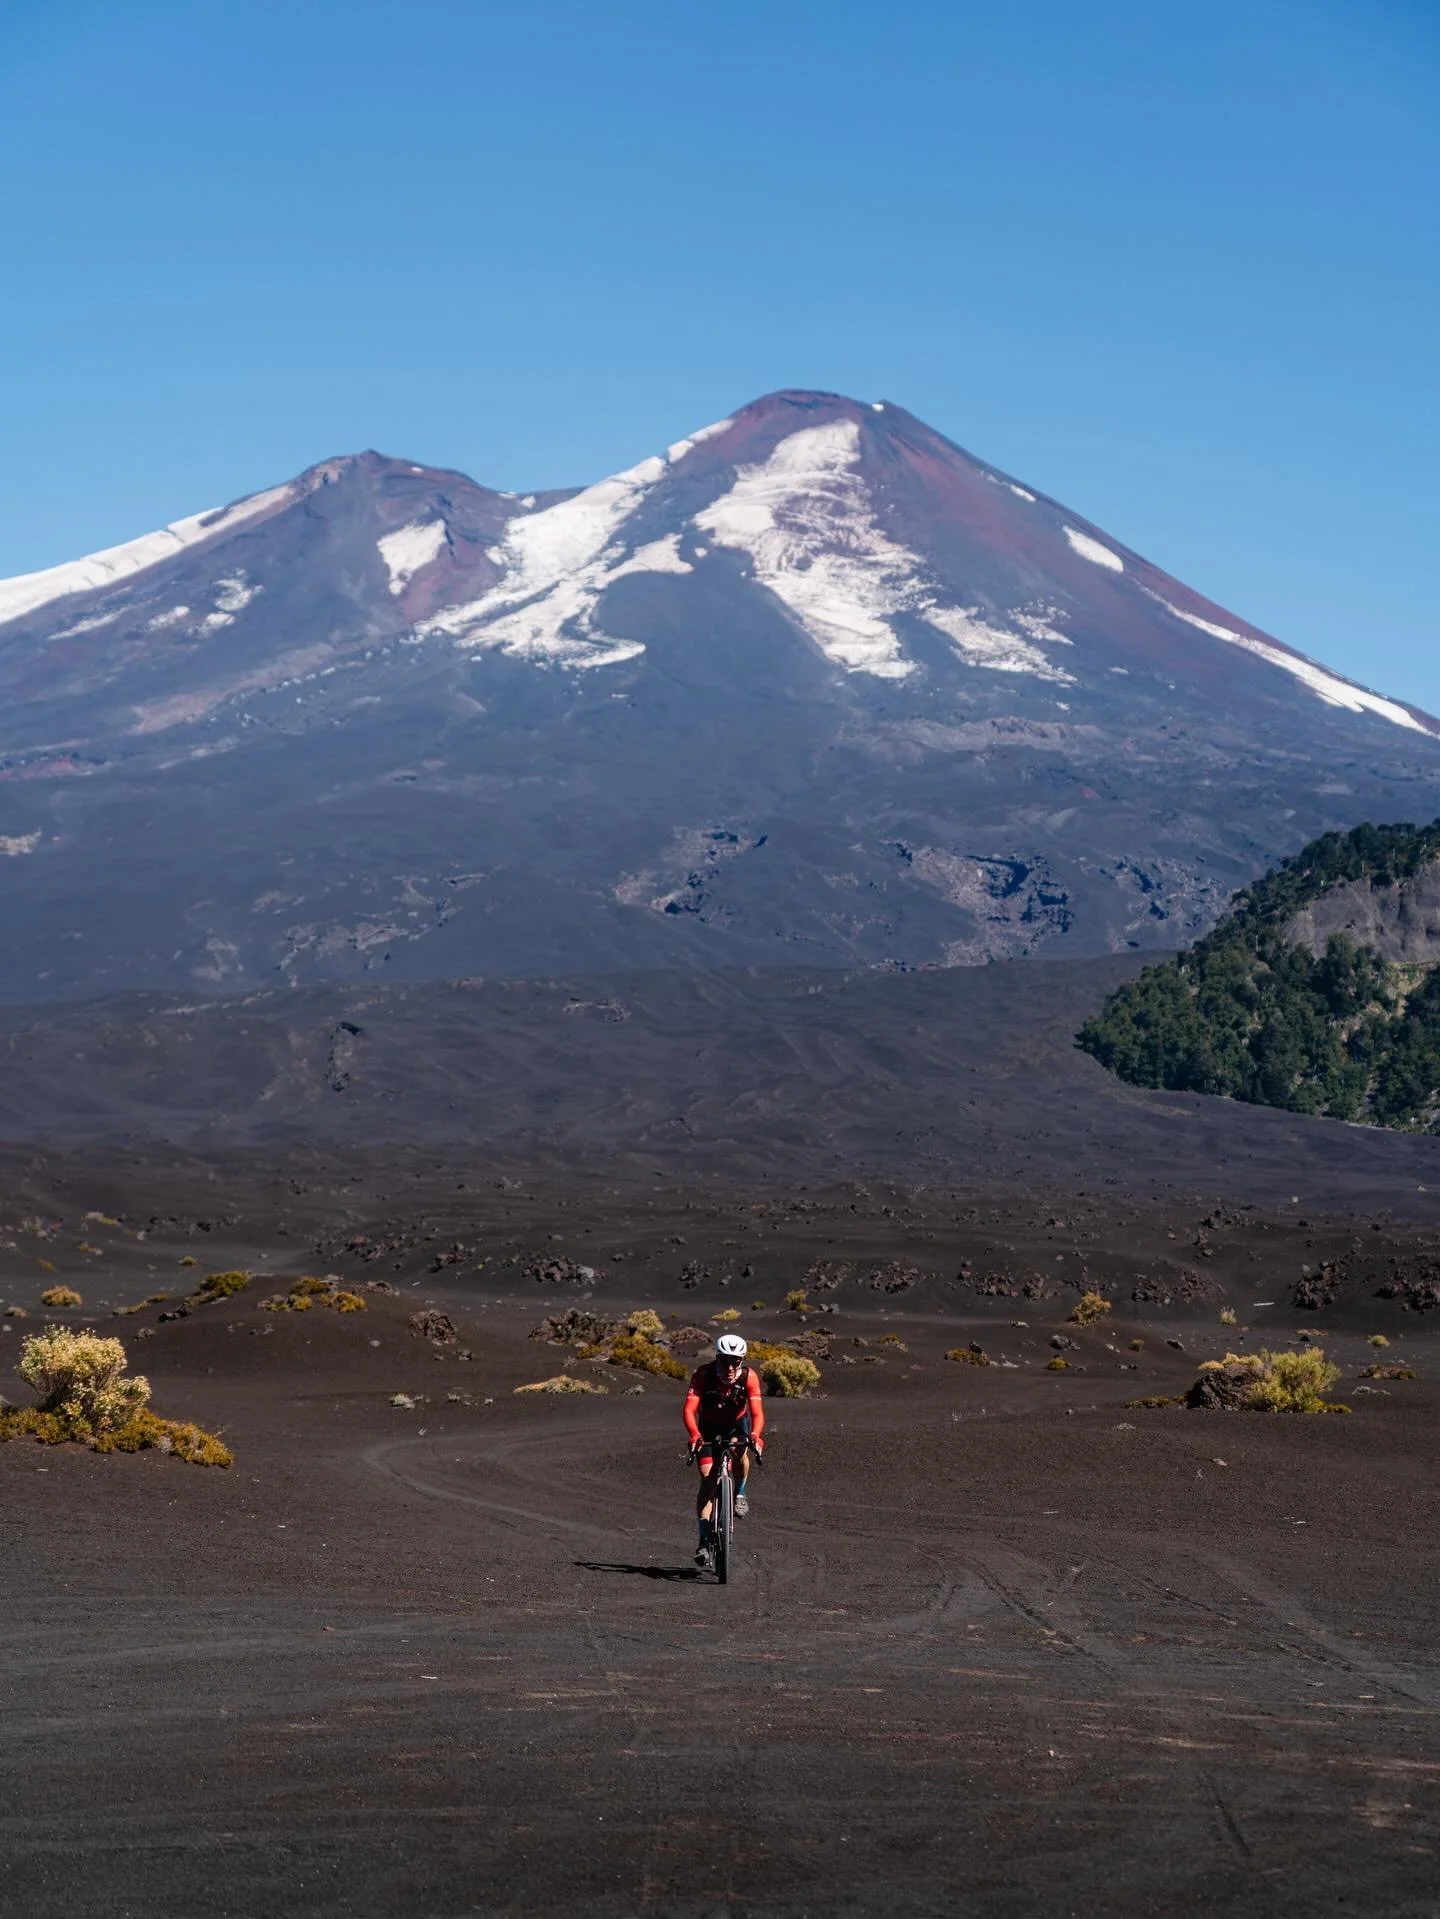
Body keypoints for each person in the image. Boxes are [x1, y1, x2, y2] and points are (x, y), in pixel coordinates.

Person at [683, 1332, 765, 1568]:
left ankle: (739, 1493)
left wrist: (755, 1435)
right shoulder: (703, 1375)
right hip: (707, 1429)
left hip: (736, 1426)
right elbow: (689, 1410)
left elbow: (757, 1413)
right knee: (707, 1480)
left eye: (735, 1362)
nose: (729, 1367)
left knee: (741, 1453)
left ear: (741, 1361)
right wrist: (694, 1434)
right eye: (724, 1361)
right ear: (717, 1358)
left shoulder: (749, 1377)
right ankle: (703, 1540)